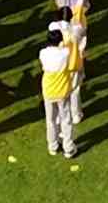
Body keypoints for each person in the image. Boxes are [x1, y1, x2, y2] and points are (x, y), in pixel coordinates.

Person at [40, 21, 79, 157]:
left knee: (50, 120)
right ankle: (68, 148)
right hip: (62, 91)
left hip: (48, 91)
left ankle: (53, 146)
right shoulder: (65, 53)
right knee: (65, 119)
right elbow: (70, 43)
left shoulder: (43, 53)